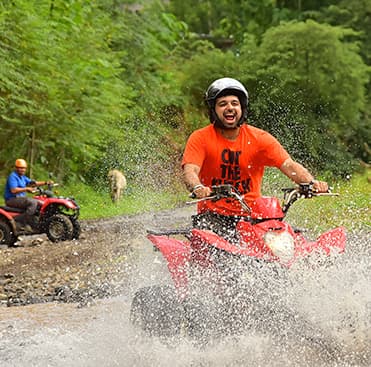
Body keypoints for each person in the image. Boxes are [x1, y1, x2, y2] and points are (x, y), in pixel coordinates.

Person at [181, 77, 328, 239]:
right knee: (212, 245)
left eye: (234, 103)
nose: (229, 108)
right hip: (212, 216)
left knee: (289, 239)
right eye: (223, 104)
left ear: (242, 108)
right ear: (213, 110)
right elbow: (190, 170)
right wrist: (197, 187)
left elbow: (289, 165)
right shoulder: (200, 138)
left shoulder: (259, 138)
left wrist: (311, 183)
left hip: (254, 217)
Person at [4, 159, 52, 230]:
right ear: (16, 168)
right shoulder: (13, 176)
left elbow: (33, 183)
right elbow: (13, 190)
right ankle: (22, 222)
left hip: (20, 198)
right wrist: (26, 189)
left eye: (24, 168)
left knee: (39, 202)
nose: (22, 170)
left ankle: (37, 223)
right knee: (33, 202)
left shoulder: (23, 177)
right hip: (12, 199)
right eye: (20, 168)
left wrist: (46, 182)